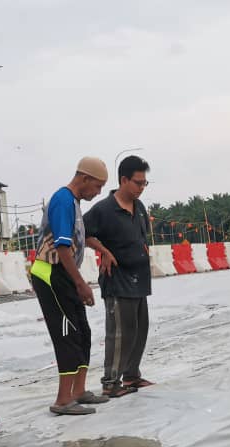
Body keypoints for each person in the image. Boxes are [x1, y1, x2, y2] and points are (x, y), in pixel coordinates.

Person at [31, 157, 108, 415]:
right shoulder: (63, 200)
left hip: (64, 274)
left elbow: (77, 239)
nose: (97, 193)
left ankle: (79, 391)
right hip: (51, 274)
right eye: (97, 187)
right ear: (84, 179)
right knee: (67, 334)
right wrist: (80, 283)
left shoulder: (73, 203)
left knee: (82, 332)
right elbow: (62, 247)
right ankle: (63, 400)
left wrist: (100, 248)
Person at [84, 155, 154, 398]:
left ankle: (132, 375)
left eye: (145, 183)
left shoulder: (140, 208)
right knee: (120, 333)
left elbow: (142, 237)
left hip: (139, 279)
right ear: (124, 180)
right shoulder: (104, 209)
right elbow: (82, 233)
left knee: (139, 329)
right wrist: (102, 250)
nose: (141, 188)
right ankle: (111, 382)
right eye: (138, 183)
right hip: (118, 280)